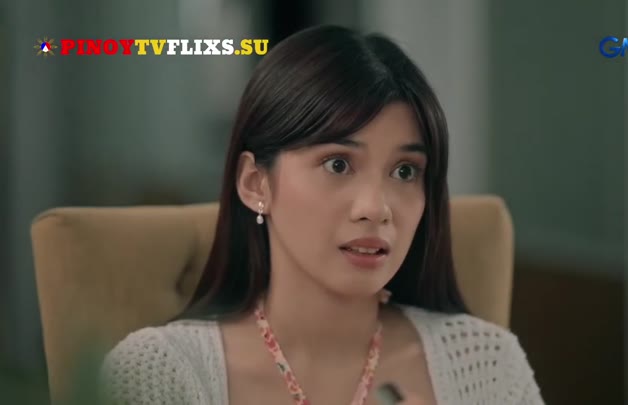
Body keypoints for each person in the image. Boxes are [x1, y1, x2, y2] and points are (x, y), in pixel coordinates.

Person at [100, 25, 544, 405]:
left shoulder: (487, 364)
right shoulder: (158, 373)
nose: (376, 208)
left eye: (405, 171)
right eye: (338, 164)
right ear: (255, 183)